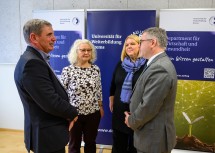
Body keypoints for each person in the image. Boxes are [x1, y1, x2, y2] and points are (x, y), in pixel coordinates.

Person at [14, 19, 78, 153]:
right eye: (49, 35)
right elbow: (50, 101)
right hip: (47, 136)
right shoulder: (33, 63)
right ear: (34, 38)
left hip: (46, 133)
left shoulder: (32, 58)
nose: (54, 38)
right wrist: (73, 113)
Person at [124, 27, 178, 153]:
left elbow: (149, 106)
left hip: (153, 139)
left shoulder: (160, 68)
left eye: (141, 41)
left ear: (152, 43)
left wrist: (131, 121)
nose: (139, 45)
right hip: (150, 135)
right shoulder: (156, 64)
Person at [61, 39, 104, 153]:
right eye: (83, 50)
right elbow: (62, 93)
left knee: (91, 142)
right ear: (76, 52)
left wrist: (100, 106)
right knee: (74, 144)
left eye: (89, 50)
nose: (86, 53)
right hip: (74, 114)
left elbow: (98, 89)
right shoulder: (68, 70)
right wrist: (66, 113)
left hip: (93, 113)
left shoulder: (95, 69)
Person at [109, 34, 147, 153]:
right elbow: (113, 85)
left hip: (137, 111)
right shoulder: (120, 65)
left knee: (134, 147)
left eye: (132, 44)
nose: (129, 46)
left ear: (140, 46)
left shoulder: (147, 66)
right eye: (127, 45)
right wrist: (111, 100)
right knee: (118, 145)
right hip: (119, 111)